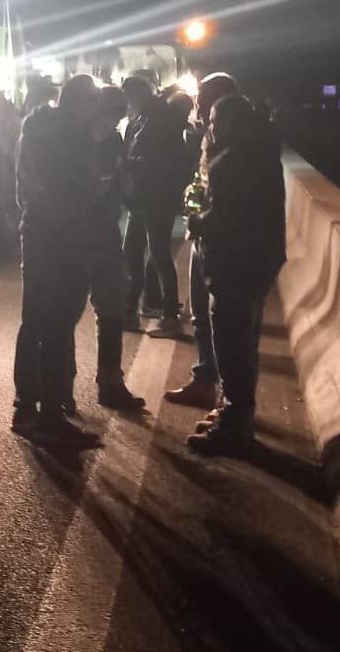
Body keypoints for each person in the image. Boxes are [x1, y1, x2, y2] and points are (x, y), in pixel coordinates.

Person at [185, 93, 285, 454]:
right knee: (245, 346)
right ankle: (234, 416)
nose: (209, 127)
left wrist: (197, 220)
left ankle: (233, 428)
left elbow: (225, 218)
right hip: (257, 264)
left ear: (228, 123)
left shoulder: (232, 161)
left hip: (234, 266)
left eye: (213, 121)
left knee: (231, 346)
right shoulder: (262, 154)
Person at [11, 74, 102, 447]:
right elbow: (79, 191)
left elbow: (26, 187)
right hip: (64, 239)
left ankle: (25, 407)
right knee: (58, 326)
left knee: (34, 322)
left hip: (36, 231)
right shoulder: (73, 138)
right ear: (82, 104)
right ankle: (51, 416)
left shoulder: (33, 130)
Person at [164, 72, 239, 409]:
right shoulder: (215, 134)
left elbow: (232, 202)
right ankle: (206, 380)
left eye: (203, 102)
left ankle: (229, 403)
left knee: (225, 323)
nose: (199, 109)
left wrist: (200, 219)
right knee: (202, 314)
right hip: (206, 235)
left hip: (225, 243)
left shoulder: (238, 141)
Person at [78, 84, 146, 410]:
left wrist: (125, 180)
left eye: (118, 116)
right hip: (75, 234)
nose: (112, 122)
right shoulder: (74, 141)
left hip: (105, 232)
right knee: (63, 313)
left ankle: (110, 380)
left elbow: (120, 184)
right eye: (109, 114)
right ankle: (57, 392)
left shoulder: (114, 140)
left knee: (112, 305)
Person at [121, 75, 189, 338]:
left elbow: (157, 162)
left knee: (157, 254)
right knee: (136, 253)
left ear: (135, 97)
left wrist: (129, 166)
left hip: (153, 199)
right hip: (142, 199)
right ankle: (136, 308)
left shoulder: (157, 121)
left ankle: (168, 316)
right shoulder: (146, 119)